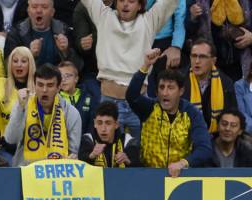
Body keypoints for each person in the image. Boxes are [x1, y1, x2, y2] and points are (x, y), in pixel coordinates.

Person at [79, 0, 180, 141]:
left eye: (131, 1)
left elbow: (170, 2)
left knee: (138, 157)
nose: (125, 4)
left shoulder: (149, 21)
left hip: (138, 105)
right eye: (121, 0)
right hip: (108, 103)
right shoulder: (103, 16)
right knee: (108, 158)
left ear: (140, 5)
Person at [127, 50, 213, 177]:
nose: (165, 93)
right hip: (148, 176)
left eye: (170, 87)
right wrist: (145, 66)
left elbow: (204, 148)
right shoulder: (149, 109)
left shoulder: (192, 114)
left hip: (179, 177)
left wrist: (183, 163)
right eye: (162, 87)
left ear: (181, 91)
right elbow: (131, 95)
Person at [5, 63, 82, 166]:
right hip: (26, 171)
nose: (44, 90)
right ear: (34, 85)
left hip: (57, 173)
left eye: (50, 85)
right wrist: (20, 109)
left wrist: (72, 158)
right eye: (40, 85)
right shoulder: (24, 105)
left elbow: (73, 151)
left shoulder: (71, 113)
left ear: (59, 87)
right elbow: (11, 139)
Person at [2, 0, 82, 70]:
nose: (39, 11)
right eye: (34, 7)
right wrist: (29, 56)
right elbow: (7, 67)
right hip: (28, 84)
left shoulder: (64, 30)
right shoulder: (16, 33)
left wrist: (66, 51)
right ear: (28, 11)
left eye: (44, 7)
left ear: (52, 12)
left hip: (58, 83)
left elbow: (79, 67)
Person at [184, 39, 237, 134]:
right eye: (194, 56)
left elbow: (232, 115)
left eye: (202, 57)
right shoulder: (180, 81)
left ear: (213, 61)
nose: (197, 61)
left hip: (217, 136)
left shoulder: (225, 83)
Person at [0, 46, 35, 135]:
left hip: (29, 143)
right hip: (2, 142)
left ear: (30, 64)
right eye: (15, 61)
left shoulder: (38, 87)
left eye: (23, 61)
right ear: (10, 64)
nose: (19, 65)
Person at [79, 100, 140, 167]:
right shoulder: (87, 140)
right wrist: (91, 156)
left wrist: (128, 161)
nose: (103, 129)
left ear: (116, 124)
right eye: (99, 123)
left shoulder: (127, 141)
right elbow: (79, 165)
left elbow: (140, 169)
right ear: (95, 123)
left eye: (108, 123)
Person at [59, 60, 97, 135]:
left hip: (84, 141)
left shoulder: (88, 97)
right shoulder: (55, 98)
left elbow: (92, 124)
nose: (63, 79)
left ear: (76, 79)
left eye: (67, 76)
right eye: (60, 76)